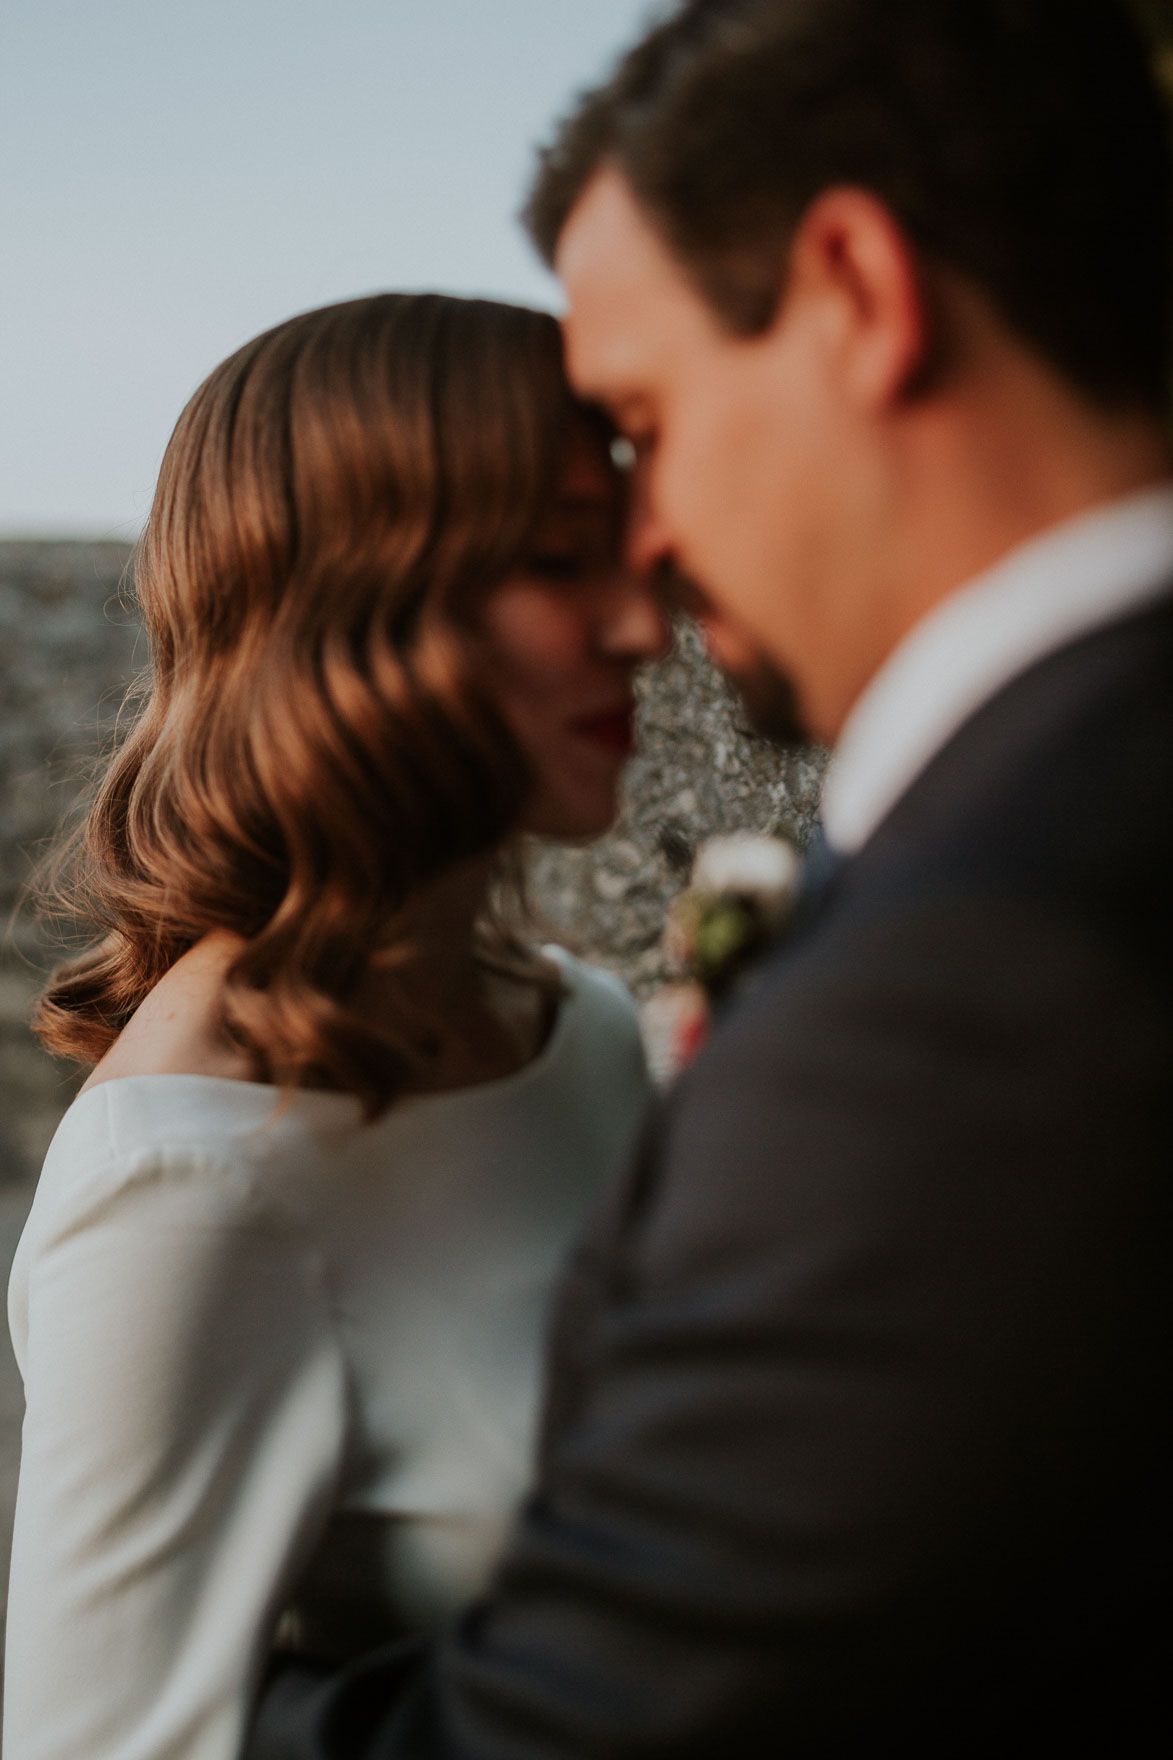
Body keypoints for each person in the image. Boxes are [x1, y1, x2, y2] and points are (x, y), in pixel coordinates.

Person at [246, 2, 1173, 1755]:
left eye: (642, 418)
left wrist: (226, 1717)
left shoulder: (970, 977)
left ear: (854, 291)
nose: (644, 542)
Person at [3, 292, 669, 1760]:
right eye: (562, 561)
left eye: (626, 549)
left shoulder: (595, 1036)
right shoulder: (184, 1186)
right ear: (359, 607)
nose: (644, 623)